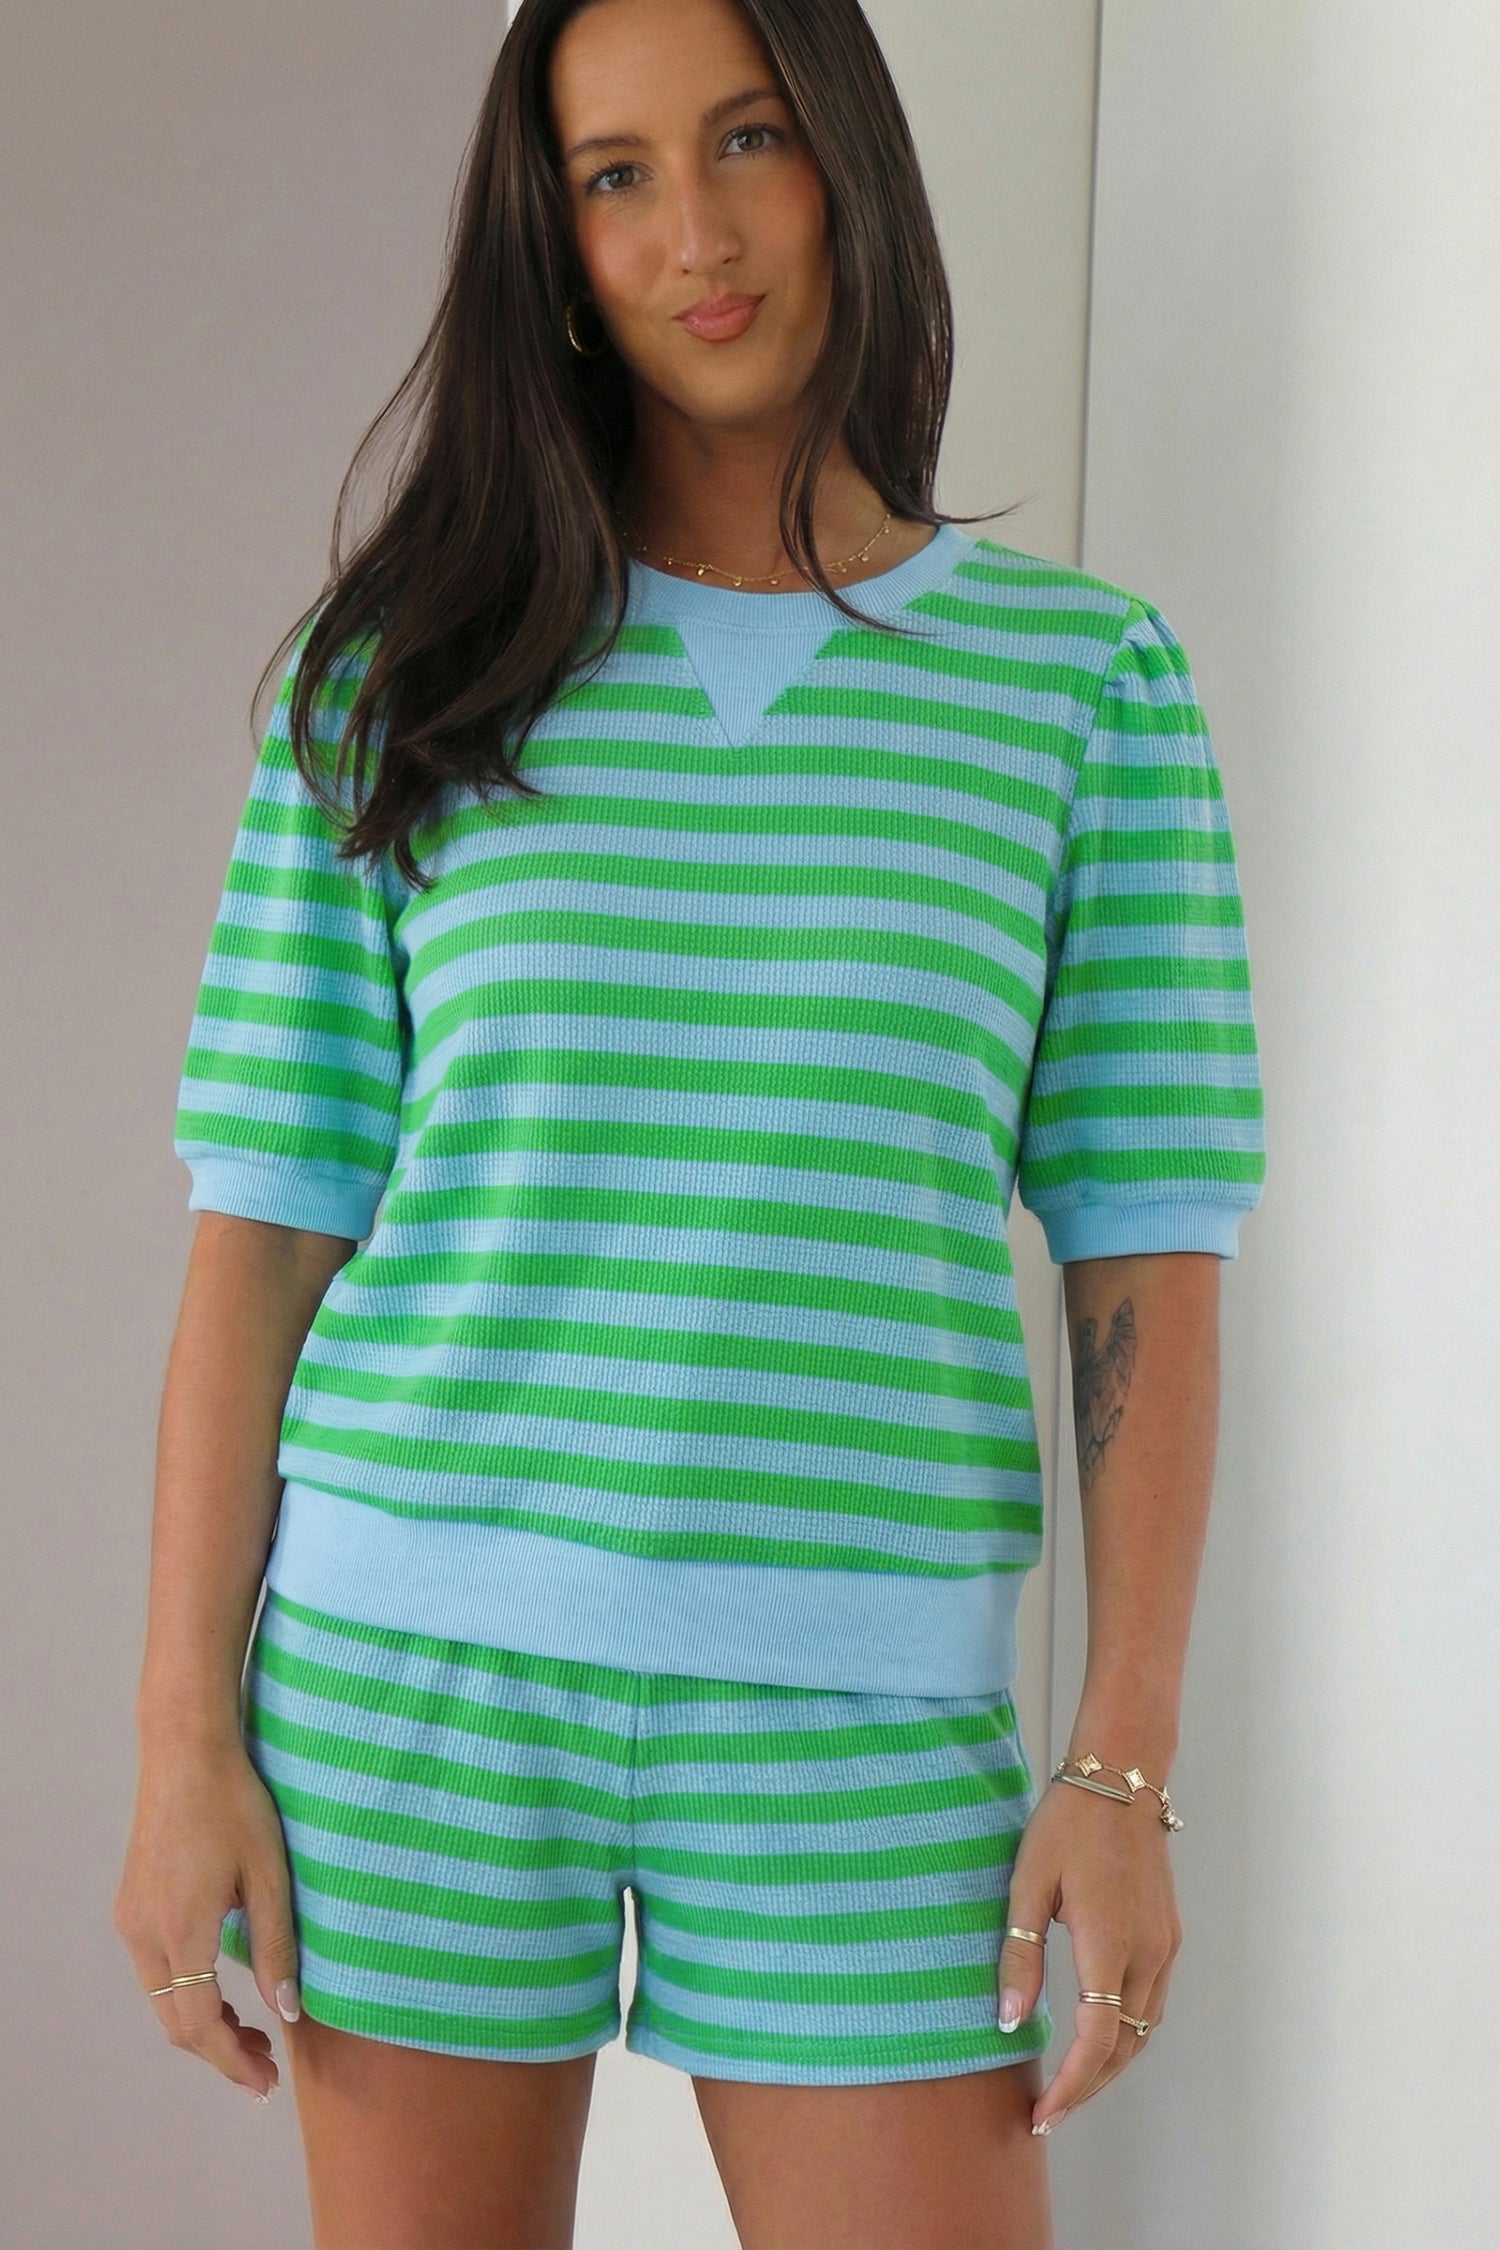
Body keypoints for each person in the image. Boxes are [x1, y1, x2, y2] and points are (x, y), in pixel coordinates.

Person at [113, 0, 1266, 2242]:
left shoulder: (1080, 690)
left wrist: (1120, 1767)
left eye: (747, 141)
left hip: (865, 1719)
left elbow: (1147, 1246)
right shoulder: (402, 675)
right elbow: (264, 1236)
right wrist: (183, 1743)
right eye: (615, 175)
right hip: (408, 1695)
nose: (696, 236)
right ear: (552, 240)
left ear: (848, 162)